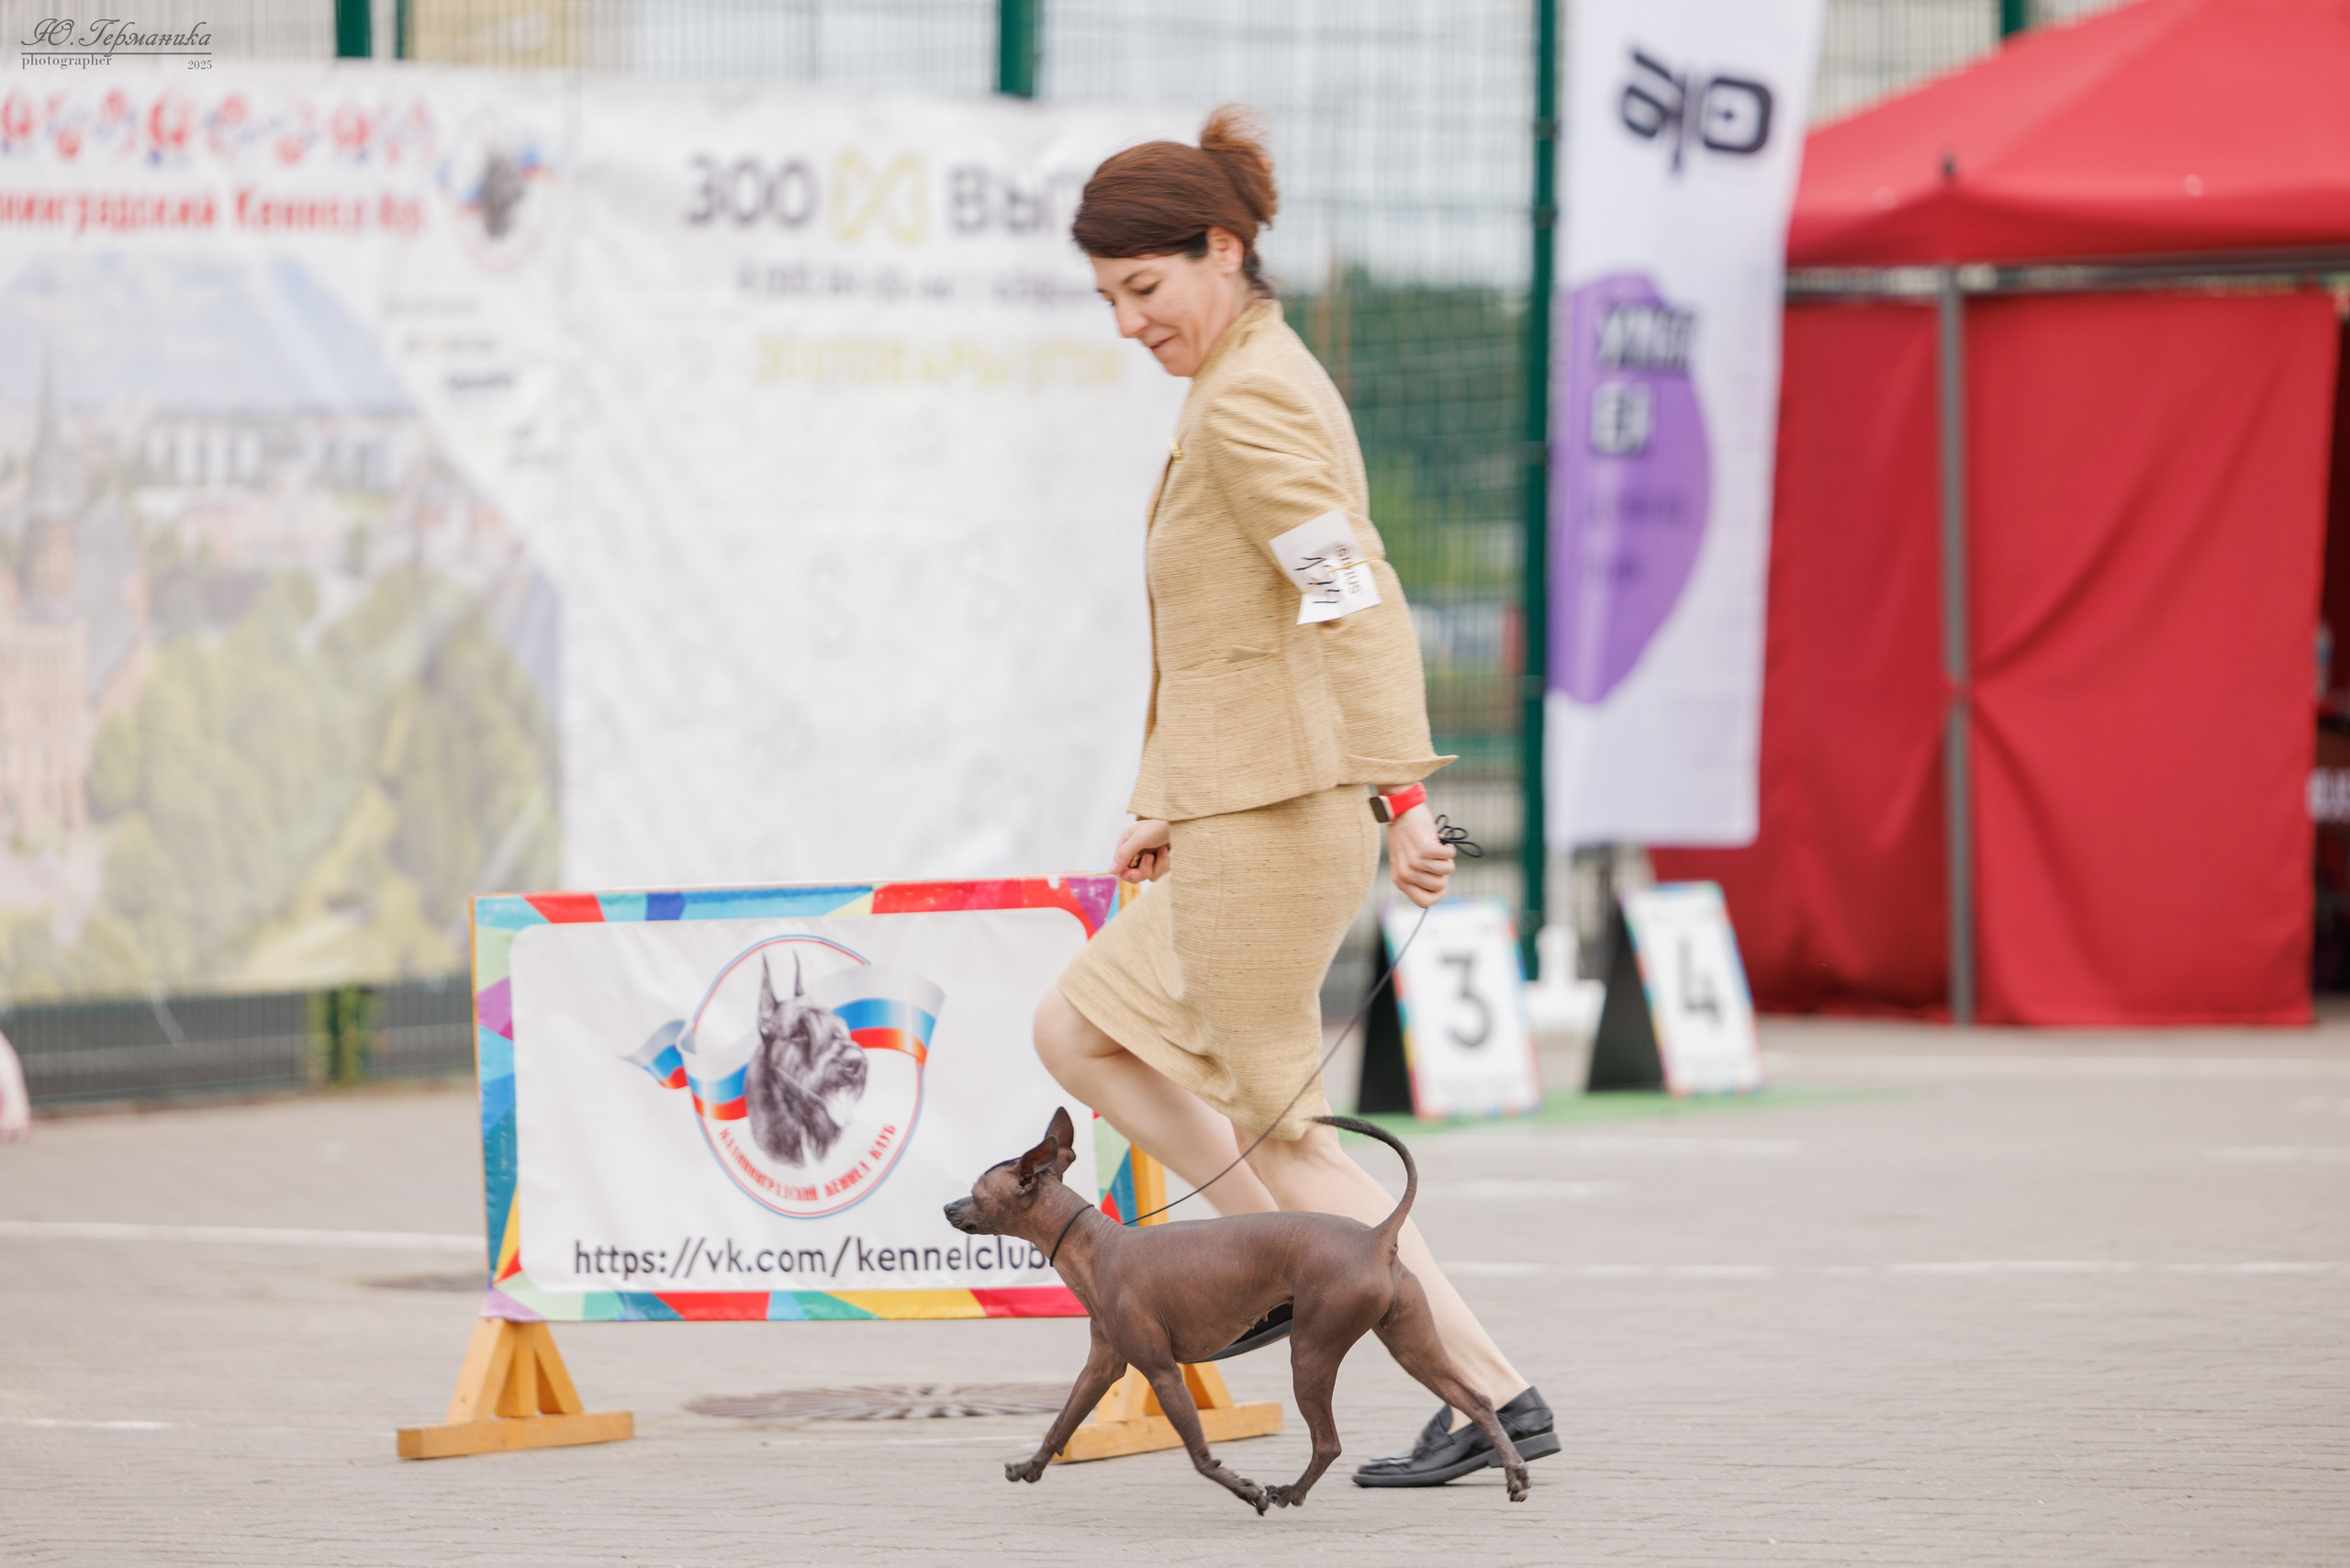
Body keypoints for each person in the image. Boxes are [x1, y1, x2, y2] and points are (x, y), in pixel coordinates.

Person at [1034, 106, 1556, 1489]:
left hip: (1278, 823)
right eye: (1109, 300)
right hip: (1234, 806)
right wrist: (1166, 795)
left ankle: (1489, 1385)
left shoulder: (1253, 395)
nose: (1130, 324)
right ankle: (1271, 1262)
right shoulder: (1245, 374)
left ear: (1224, 249)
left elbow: (1347, 591)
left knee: (1291, 1133)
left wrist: (1404, 797)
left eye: (1145, 290)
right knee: (1077, 1031)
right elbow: (1236, 635)